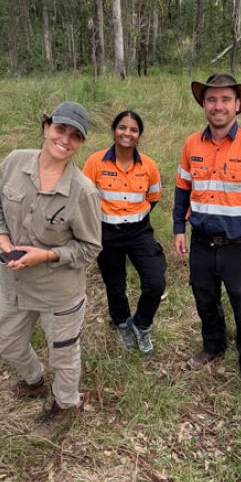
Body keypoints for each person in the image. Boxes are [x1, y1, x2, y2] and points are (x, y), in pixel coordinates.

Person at [0, 101, 101, 437]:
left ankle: (65, 404)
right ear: (46, 126)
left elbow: (90, 247)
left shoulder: (83, 191)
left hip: (58, 294)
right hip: (14, 284)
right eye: (60, 129)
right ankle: (34, 380)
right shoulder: (14, 163)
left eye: (75, 136)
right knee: (7, 342)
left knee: (63, 357)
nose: (65, 139)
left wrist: (47, 256)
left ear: (81, 143)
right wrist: (3, 239)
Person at [173, 73, 241, 395]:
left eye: (225, 99)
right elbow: (182, 190)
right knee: (204, 299)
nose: (217, 106)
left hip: (239, 248)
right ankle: (213, 346)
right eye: (211, 99)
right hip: (202, 245)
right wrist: (179, 228)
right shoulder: (191, 144)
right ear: (203, 105)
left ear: (237, 105)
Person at [83, 110, 167, 356]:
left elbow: (153, 198)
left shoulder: (149, 165)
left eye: (133, 129)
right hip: (107, 233)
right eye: (122, 127)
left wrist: (133, 217)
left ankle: (141, 324)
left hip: (140, 231)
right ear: (114, 130)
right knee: (115, 284)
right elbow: (85, 198)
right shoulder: (95, 162)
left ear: (139, 135)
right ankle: (121, 322)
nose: (127, 133)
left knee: (155, 282)